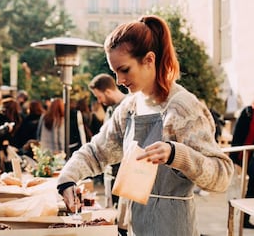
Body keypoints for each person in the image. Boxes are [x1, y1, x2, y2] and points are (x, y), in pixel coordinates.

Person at [56, 15, 233, 236]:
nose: (119, 80)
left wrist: (177, 154)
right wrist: (67, 178)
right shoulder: (130, 106)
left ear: (149, 60)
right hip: (132, 228)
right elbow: (97, 152)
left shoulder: (183, 107)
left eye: (125, 70)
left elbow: (222, 176)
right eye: (115, 72)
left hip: (172, 228)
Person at [88, 73, 127, 210]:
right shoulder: (111, 109)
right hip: (111, 173)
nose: (99, 101)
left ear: (108, 91)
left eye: (99, 96)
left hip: (123, 176)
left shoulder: (128, 107)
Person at [230, 100, 254, 228]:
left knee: (251, 188)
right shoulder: (247, 113)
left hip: (251, 157)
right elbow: (237, 135)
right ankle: (243, 220)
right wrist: (234, 159)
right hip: (244, 155)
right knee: (249, 189)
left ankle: (245, 219)